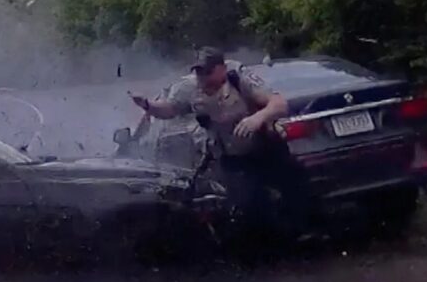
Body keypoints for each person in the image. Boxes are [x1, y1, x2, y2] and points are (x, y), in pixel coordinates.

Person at [129, 47, 312, 250]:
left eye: (208, 71)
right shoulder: (188, 88)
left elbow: (279, 104)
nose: (202, 77)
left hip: (264, 146)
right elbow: (169, 109)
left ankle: (307, 233)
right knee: (249, 202)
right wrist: (147, 104)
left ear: (222, 69)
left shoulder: (237, 77)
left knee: (297, 185)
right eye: (199, 71)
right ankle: (270, 246)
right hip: (231, 156)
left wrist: (256, 118)